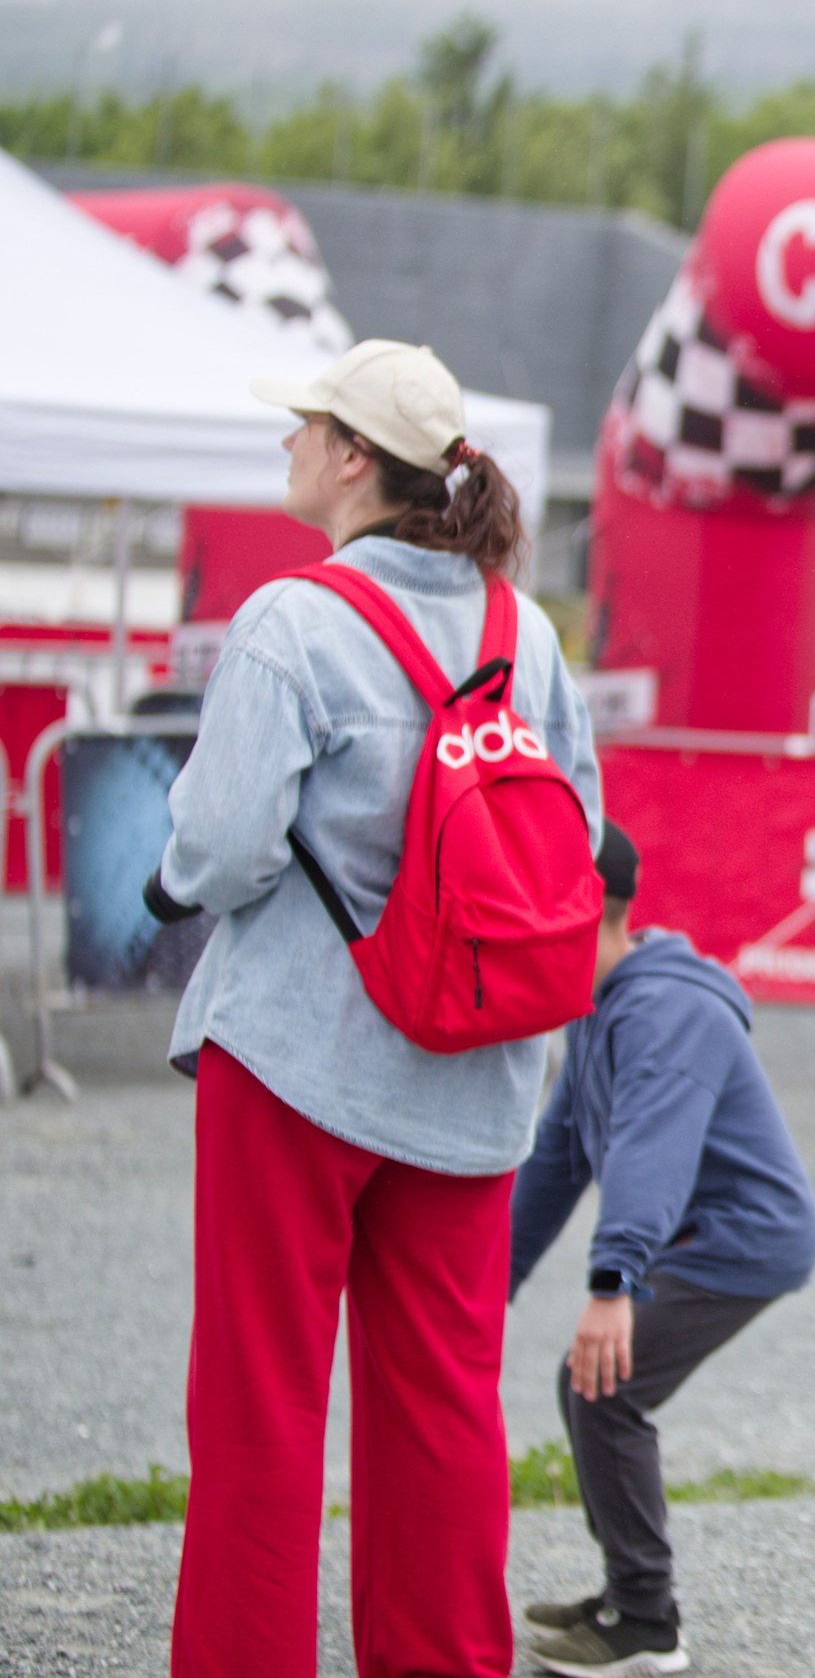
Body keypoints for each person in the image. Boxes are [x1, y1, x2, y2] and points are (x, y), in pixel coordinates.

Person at [149, 339, 602, 1678]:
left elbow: (222, 850)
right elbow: (578, 830)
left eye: (305, 423)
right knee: (445, 1399)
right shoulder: (526, 633)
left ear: (356, 457)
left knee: (262, 1402)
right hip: (471, 1072)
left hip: (298, 1050)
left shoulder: (297, 621)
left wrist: (170, 866)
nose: (287, 442)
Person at [508, 821, 815, 1678]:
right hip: (692, 1232)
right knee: (591, 1388)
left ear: (580, 913)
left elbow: (652, 1148)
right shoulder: (598, 1009)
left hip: (742, 1238)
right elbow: (557, 1155)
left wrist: (613, 1282)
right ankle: (626, 1593)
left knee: (604, 1388)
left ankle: (647, 1621)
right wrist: (481, 1286)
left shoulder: (665, 1010)